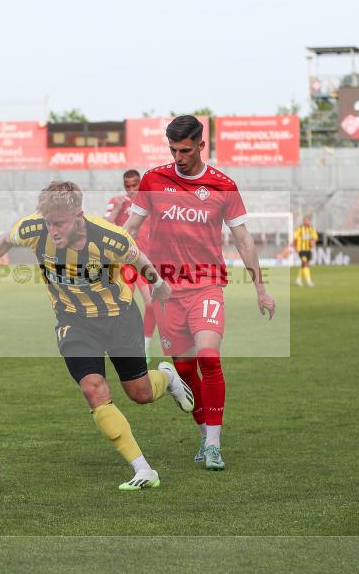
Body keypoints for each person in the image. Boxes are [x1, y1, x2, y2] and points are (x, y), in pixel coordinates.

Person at [0, 181, 195, 491]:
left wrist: (157, 284)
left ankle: (167, 378)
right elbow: (2, 241)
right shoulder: (35, 228)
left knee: (140, 394)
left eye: (59, 223)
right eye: (49, 223)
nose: (52, 230)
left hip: (119, 319)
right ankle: (143, 469)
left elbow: (139, 259)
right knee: (94, 389)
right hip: (73, 322)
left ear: (79, 214)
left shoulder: (109, 237)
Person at [124, 115, 276, 471]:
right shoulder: (153, 179)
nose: (178, 157)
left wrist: (260, 287)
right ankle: (201, 428)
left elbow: (243, 239)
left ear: (201, 146)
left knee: (208, 358)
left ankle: (213, 444)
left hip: (207, 285)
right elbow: (130, 228)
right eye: (173, 150)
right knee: (184, 370)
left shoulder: (223, 185)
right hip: (166, 291)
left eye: (186, 150)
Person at [105, 169, 157, 361]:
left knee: (152, 305)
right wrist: (118, 209)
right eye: (128, 186)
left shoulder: (150, 203)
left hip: (145, 263)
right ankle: (121, 346)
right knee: (121, 306)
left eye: (135, 185)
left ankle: (145, 346)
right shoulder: (117, 202)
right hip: (125, 263)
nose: (132, 189)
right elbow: (106, 226)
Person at [293, 215, 318, 287]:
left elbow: (315, 237)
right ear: (303, 221)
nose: (306, 222)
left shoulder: (311, 229)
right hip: (301, 249)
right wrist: (295, 247)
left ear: (309, 221)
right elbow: (295, 238)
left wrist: (313, 241)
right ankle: (308, 281)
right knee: (306, 263)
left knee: (303, 265)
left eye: (308, 220)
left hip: (308, 250)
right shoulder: (300, 229)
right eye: (305, 220)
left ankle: (298, 279)